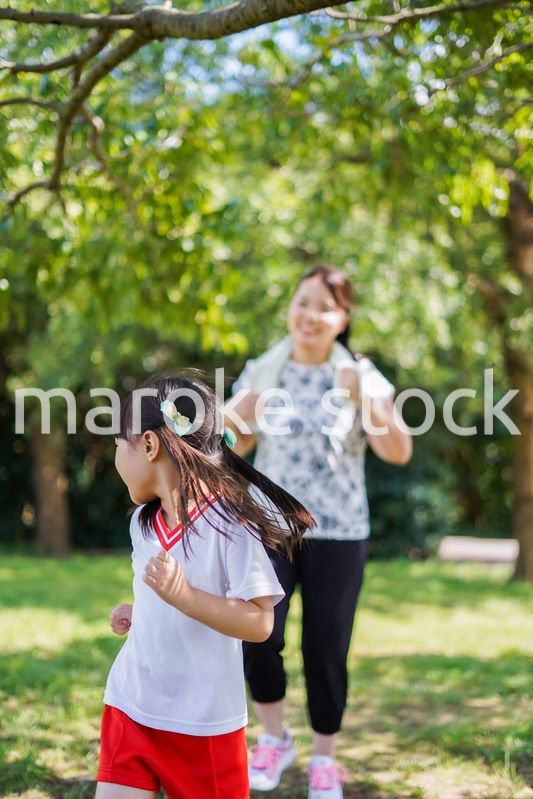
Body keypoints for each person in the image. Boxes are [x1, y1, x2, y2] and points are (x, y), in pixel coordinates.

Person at [225, 265, 412, 799]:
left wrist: (365, 400)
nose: (310, 315)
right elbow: (232, 453)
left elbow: (398, 452)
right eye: (302, 302)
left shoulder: (361, 374)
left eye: (324, 306)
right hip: (268, 527)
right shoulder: (265, 370)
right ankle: (274, 737)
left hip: (341, 531)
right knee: (260, 635)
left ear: (343, 318)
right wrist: (239, 418)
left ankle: (325, 758)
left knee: (326, 645)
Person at [95, 373, 315, 799]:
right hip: (132, 705)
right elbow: (173, 601)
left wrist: (184, 597)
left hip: (204, 725)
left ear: (148, 445)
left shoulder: (231, 526)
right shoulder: (144, 525)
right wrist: (144, 612)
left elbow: (259, 622)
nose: (115, 457)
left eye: (118, 445)